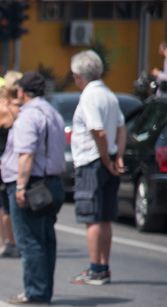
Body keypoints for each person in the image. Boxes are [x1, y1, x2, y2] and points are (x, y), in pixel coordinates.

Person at [0, 71, 66, 304]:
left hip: (33, 185)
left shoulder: (29, 115)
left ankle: (36, 292)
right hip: (51, 182)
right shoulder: (52, 112)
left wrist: (20, 187)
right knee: (45, 238)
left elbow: (26, 154)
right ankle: (42, 289)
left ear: (21, 92)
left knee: (30, 241)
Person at [69, 50, 126, 285]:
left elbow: (98, 131)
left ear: (79, 75)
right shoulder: (109, 95)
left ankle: (95, 269)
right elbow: (121, 128)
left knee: (92, 217)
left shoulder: (89, 96)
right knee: (104, 218)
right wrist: (117, 156)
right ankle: (103, 267)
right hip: (106, 158)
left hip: (93, 161)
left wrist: (105, 159)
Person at [0, 71, 22, 256]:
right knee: (12, 202)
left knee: (2, 204)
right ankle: (13, 241)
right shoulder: (25, 109)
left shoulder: (3, 111)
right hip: (17, 159)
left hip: (1, 160)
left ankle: (8, 241)